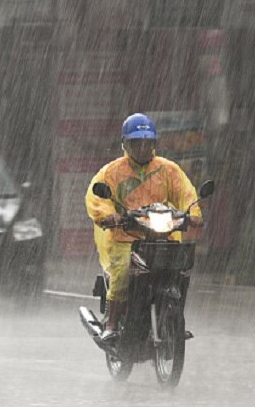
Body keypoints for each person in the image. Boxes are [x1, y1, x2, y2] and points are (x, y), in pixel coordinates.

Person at [85, 113, 203, 341]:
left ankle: (174, 320)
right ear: (125, 144)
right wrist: (109, 216)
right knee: (121, 273)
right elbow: (96, 197)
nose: (142, 148)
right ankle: (111, 323)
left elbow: (186, 193)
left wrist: (193, 214)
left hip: (161, 236)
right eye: (136, 143)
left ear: (154, 144)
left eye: (147, 143)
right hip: (125, 237)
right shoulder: (112, 172)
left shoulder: (168, 170)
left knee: (180, 270)